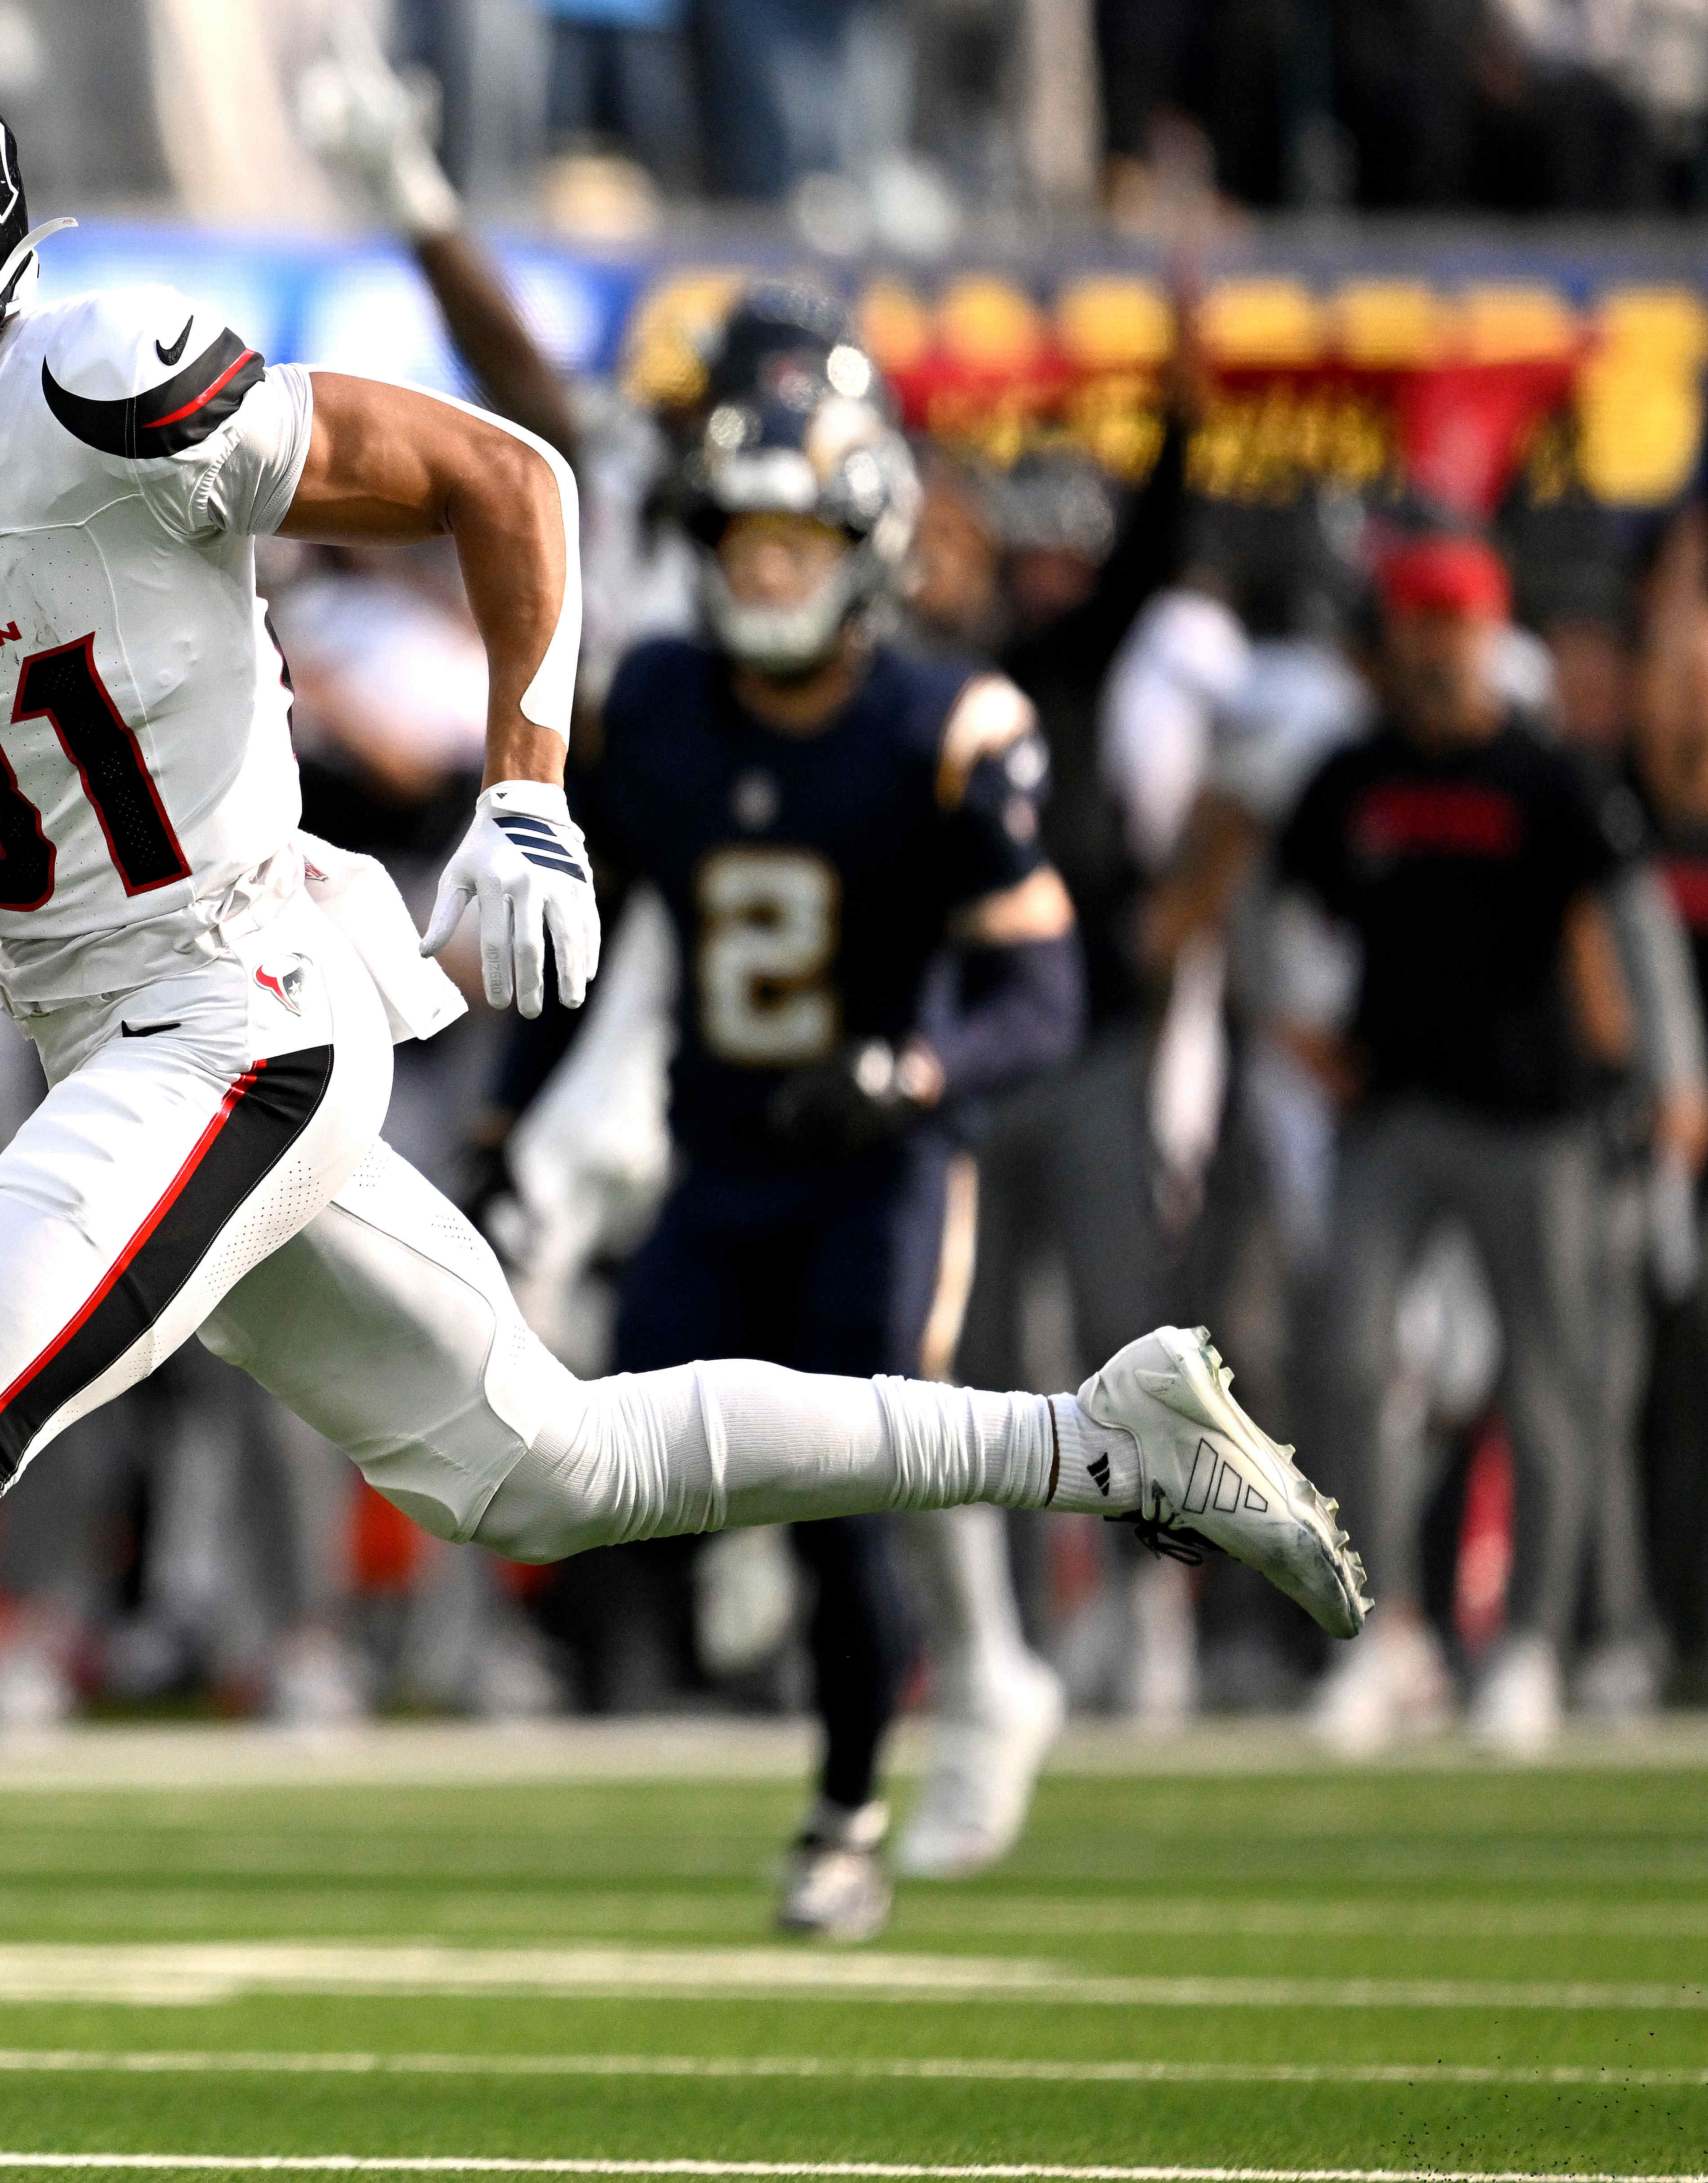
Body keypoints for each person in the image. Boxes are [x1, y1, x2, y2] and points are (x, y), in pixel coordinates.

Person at [0, 53, 1365, 2183]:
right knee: (544, 1464)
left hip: (246, 999)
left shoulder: (108, 384)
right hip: (107, 1032)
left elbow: (509, 477)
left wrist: (526, 793)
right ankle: (1098, 1438)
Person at [565, 288, 1084, 1937]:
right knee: (604, 1448)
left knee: (856, 1497)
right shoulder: (655, 701)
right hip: (715, 1149)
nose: (763, 571)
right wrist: (512, 1115)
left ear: (861, 542)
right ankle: (754, 1544)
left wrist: (914, 1075)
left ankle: (846, 1806)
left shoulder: (944, 730)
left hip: (874, 1165)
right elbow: (608, 919)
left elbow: (1042, 994)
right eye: (745, 540)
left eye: (796, 542)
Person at [1277, 527, 1646, 1756]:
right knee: (1345, 1358)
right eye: (1416, 624)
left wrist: (1624, 1075)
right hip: (1391, 1107)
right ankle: (1385, 1638)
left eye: (1454, 623)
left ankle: (1528, 1643)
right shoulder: (1353, 773)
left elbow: (1601, 935)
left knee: (1546, 1382)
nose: (1435, 649)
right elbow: (1280, 900)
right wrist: (1293, 1027)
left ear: (1488, 634)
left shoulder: (1541, 776)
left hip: (1525, 1117)